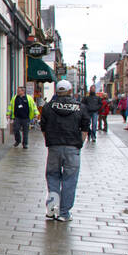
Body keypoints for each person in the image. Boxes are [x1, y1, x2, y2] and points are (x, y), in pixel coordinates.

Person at [41, 79, 91, 222]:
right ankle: (64, 213)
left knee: (52, 177)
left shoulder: (48, 107)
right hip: (72, 147)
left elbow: (43, 128)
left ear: (57, 91)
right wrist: (79, 144)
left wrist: (50, 142)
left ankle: (52, 209)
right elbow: (85, 129)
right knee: (70, 179)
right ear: (70, 91)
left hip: (54, 147)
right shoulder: (80, 107)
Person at [8, 84, 38, 148]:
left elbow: (34, 106)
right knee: (16, 129)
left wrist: (36, 113)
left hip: (26, 117)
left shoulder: (29, 98)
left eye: (19, 91)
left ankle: (25, 144)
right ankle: (18, 140)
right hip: (17, 117)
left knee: (25, 131)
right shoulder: (14, 98)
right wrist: (8, 114)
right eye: (17, 91)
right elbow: (10, 106)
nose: (17, 92)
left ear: (23, 91)